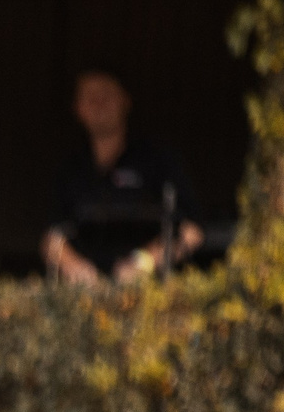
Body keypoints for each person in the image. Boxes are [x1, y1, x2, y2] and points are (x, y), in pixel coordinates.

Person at [41, 72, 206, 286]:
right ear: (78, 107)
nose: (98, 103)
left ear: (124, 100)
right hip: (85, 296)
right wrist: (76, 267)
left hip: (151, 296)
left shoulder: (156, 160)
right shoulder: (70, 169)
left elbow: (192, 231)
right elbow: (51, 238)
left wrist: (143, 262)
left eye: (106, 95)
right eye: (90, 97)